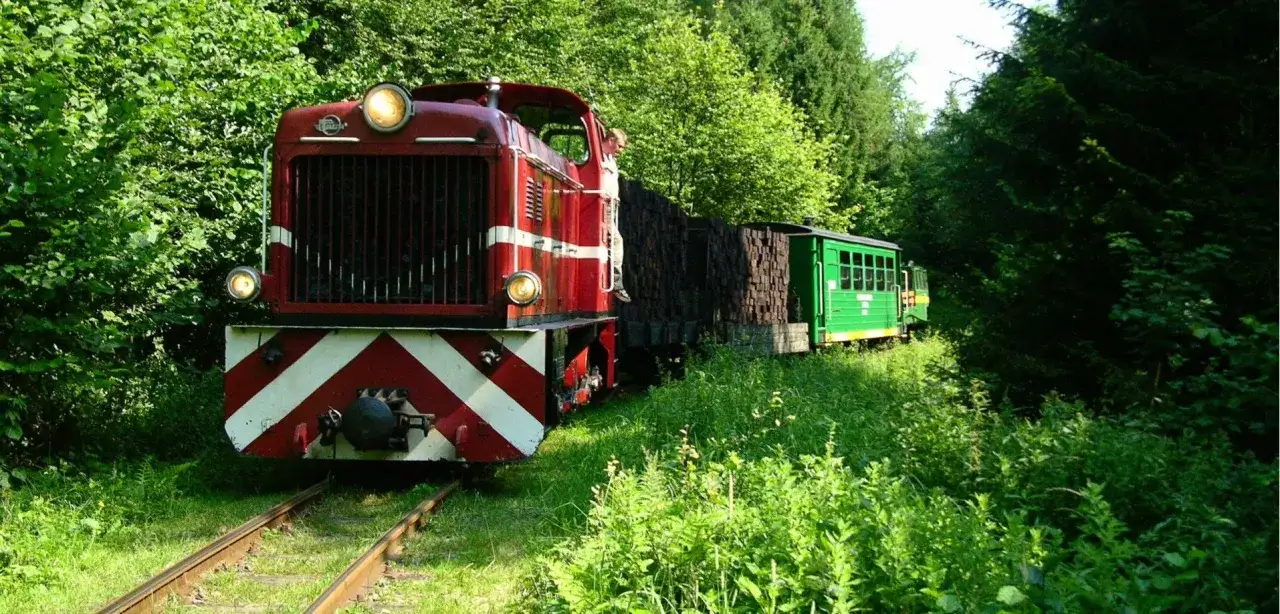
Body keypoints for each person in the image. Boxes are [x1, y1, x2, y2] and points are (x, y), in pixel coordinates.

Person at [601, 128, 631, 303]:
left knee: (608, 243)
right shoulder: (596, 156)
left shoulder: (610, 160)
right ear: (610, 140)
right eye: (619, 146)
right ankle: (616, 283)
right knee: (617, 241)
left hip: (611, 206)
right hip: (602, 205)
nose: (620, 151)